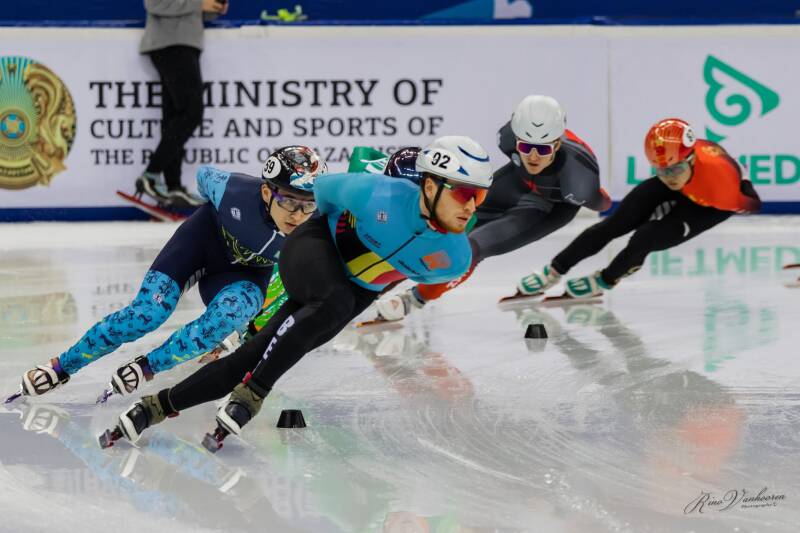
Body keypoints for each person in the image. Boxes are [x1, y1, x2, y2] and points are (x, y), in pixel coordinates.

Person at [104, 135, 494, 447]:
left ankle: (155, 407)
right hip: (314, 247)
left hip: (354, 292)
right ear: (429, 186)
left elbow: (414, 276)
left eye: (480, 197)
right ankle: (253, 394)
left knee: (254, 355)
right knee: (333, 302)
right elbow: (323, 193)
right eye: (464, 194)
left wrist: (400, 296)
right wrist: (312, 233)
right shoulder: (376, 194)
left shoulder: (455, 257)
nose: (472, 207)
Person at [17, 146, 325, 401]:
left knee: (226, 318)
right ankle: (61, 366)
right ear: (266, 192)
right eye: (288, 201)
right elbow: (204, 175)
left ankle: (147, 367)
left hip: (243, 275)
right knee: (146, 314)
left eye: (307, 205)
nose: (298, 215)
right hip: (199, 245)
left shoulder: (317, 226)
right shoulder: (234, 191)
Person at [372, 95, 611, 321]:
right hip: (518, 183)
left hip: (551, 208)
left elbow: (602, 203)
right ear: (516, 138)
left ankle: (413, 300)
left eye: (543, 149)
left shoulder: (579, 180)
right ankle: (378, 282)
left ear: (557, 145)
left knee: (472, 247)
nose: (533, 157)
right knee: (439, 223)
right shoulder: (506, 138)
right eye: (526, 147)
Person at [518, 117, 761, 299]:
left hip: (711, 203)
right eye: (661, 170)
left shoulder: (723, 188)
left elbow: (752, 203)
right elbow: (673, 171)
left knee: (646, 237)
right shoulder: (675, 165)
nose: (669, 177)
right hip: (692, 181)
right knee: (614, 224)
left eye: (674, 170)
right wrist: (673, 173)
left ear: (692, 159)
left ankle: (606, 280)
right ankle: (554, 270)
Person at [136, 0, 229, 207]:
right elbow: (154, 4)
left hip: (181, 44)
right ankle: (151, 175)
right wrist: (199, 4)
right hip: (172, 45)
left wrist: (213, 8)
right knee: (190, 113)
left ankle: (173, 186)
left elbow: (192, 10)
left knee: (175, 117)